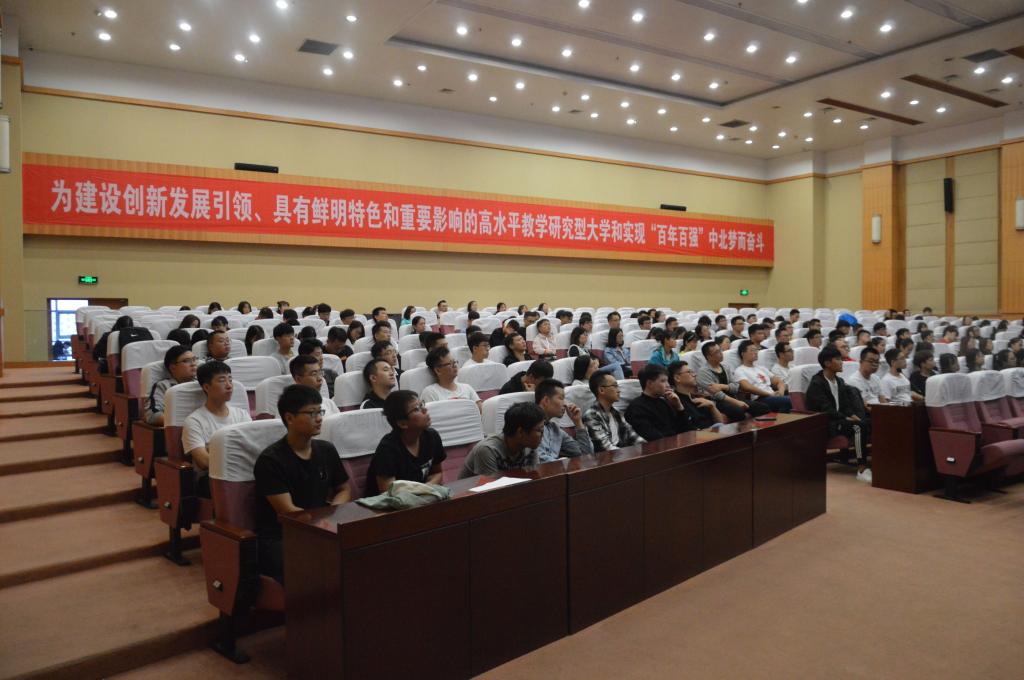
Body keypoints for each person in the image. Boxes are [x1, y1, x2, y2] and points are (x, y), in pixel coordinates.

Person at [254, 384, 350, 583]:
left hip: (320, 526)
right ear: (289, 418)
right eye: (312, 413)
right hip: (282, 535)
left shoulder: (326, 449)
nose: (319, 418)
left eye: (320, 412)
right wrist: (323, 525)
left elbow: (344, 489)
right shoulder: (270, 460)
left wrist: (332, 513)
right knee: (317, 564)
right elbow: (288, 511)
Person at [182, 361, 252, 498]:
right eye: (222, 380)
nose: (229, 385)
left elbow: (251, 447)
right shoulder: (194, 421)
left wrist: (216, 451)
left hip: (243, 471)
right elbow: (204, 461)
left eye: (230, 380)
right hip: (211, 477)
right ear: (206, 387)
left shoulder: (241, 415)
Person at [804, 346, 872, 482]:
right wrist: (848, 419)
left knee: (868, 422)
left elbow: (845, 406)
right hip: (826, 423)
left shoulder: (839, 381)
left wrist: (854, 416)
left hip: (840, 420)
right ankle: (862, 468)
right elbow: (826, 410)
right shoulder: (817, 383)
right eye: (838, 359)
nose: (842, 362)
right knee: (858, 427)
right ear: (827, 363)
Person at [365, 391, 446, 496]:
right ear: (403, 423)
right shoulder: (387, 449)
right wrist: (423, 491)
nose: (425, 410)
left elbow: (437, 473)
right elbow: (388, 493)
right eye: (417, 409)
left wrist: (426, 488)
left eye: (422, 404)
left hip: (422, 498)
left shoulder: (432, 436)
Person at [459, 402, 546, 478]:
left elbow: (534, 479)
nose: (543, 434)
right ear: (520, 432)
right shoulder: (487, 450)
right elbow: (490, 488)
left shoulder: (530, 446)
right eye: (540, 430)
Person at [624, 364, 696, 442]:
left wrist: (679, 406)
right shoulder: (637, 408)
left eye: (667, 381)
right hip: (662, 447)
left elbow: (687, 430)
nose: (668, 385)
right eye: (663, 381)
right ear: (649, 383)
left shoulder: (665, 402)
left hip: (679, 444)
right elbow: (653, 438)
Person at [531, 379, 593, 463]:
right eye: (561, 398)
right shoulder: (530, 425)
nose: (565, 404)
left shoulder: (555, 429)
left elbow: (585, 454)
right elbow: (539, 460)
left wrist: (578, 423)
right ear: (546, 400)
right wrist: (563, 464)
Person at [583, 372, 643, 452]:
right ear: (601, 390)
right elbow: (605, 448)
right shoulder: (591, 416)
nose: (619, 390)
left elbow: (632, 436)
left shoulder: (616, 413)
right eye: (615, 386)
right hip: (608, 458)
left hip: (623, 455)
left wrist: (646, 448)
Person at [695, 341, 753, 421]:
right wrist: (736, 402)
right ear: (708, 357)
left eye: (720, 350)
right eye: (717, 352)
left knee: (761, 407)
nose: (721, 353)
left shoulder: (726, 367)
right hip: (718, 402)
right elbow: (717, 394)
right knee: (738, 412)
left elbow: (736, 387)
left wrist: (723, 386)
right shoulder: (703, 372)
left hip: (733, 398)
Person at [144, 345, 198, 426]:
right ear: (173, 368)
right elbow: (152, 415)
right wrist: (185, 423)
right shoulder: (163, 386)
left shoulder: (201, 384)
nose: (193, 364)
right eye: (187, 361)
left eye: (194, 359)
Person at [733, 340, 792, 412]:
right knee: (790, 401)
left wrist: (780, 393)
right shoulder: (739, 370)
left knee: (794, 399)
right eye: (752, 350)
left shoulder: (761, 368)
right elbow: (747, 387)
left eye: (756, 350)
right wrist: (769, 394)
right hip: (759, 399)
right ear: (743, 354)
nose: (756, 352)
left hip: (772, 396)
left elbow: (779, 381)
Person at [668, 361, 725, 429]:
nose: (694, 375)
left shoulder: (700, 397)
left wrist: (712, 406)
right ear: (677, 378)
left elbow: (721, 423)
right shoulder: (676, 401)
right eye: (689, 372)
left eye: (693, 372)